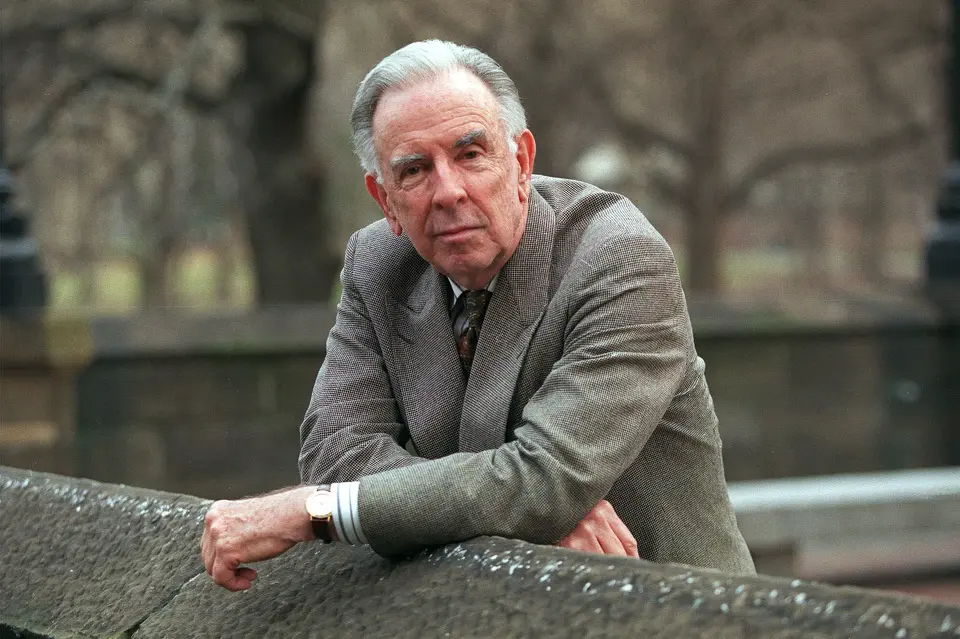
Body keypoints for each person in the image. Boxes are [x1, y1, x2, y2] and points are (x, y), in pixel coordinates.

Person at [201, 40, 754, 592]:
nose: (448, 191)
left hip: (676, 613)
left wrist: (315, 513)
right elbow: (334, 461)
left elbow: (543, 480)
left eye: (471, 154)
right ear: (384, 199)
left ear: (521, 161)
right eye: (414, 170)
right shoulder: (378, 267)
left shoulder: (618, 258)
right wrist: (525, 511)